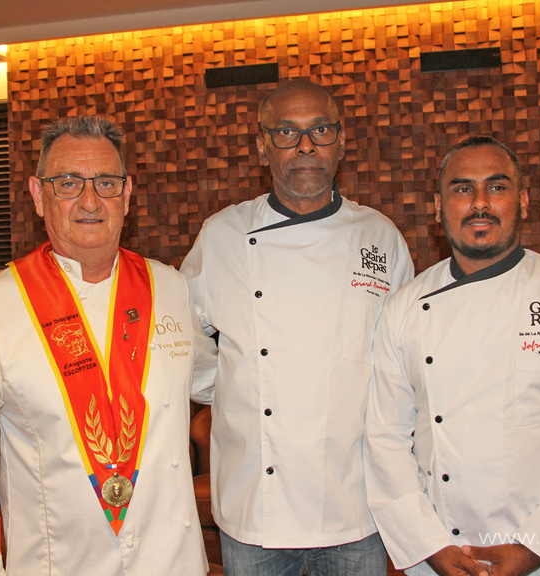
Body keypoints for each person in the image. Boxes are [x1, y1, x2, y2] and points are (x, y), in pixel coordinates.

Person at [0, 116, 216, 575]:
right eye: (67, 183)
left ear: (126, 195)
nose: (89, 200)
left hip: (174, 564)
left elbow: (216, 377)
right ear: (37, 195)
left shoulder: (169, 287)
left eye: (106, 183)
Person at [364, 136, 540, 576]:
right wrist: (429, 546)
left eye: (498, 187)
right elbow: (386, 438)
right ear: (438, 206)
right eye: (463, 188)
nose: (480, 203)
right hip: (440, 552)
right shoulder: (405, 308)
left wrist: (536, 549)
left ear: (523, 201)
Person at [181, 79, 414, 575]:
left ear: (342, 140)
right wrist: (232, 388)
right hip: (254, 508)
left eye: (320, 130)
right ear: (262, 145)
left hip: (357, 503)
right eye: (286, 132)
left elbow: (405, 358)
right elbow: (186, 339)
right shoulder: (222, 235)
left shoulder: (379, 236)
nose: (305, 146)